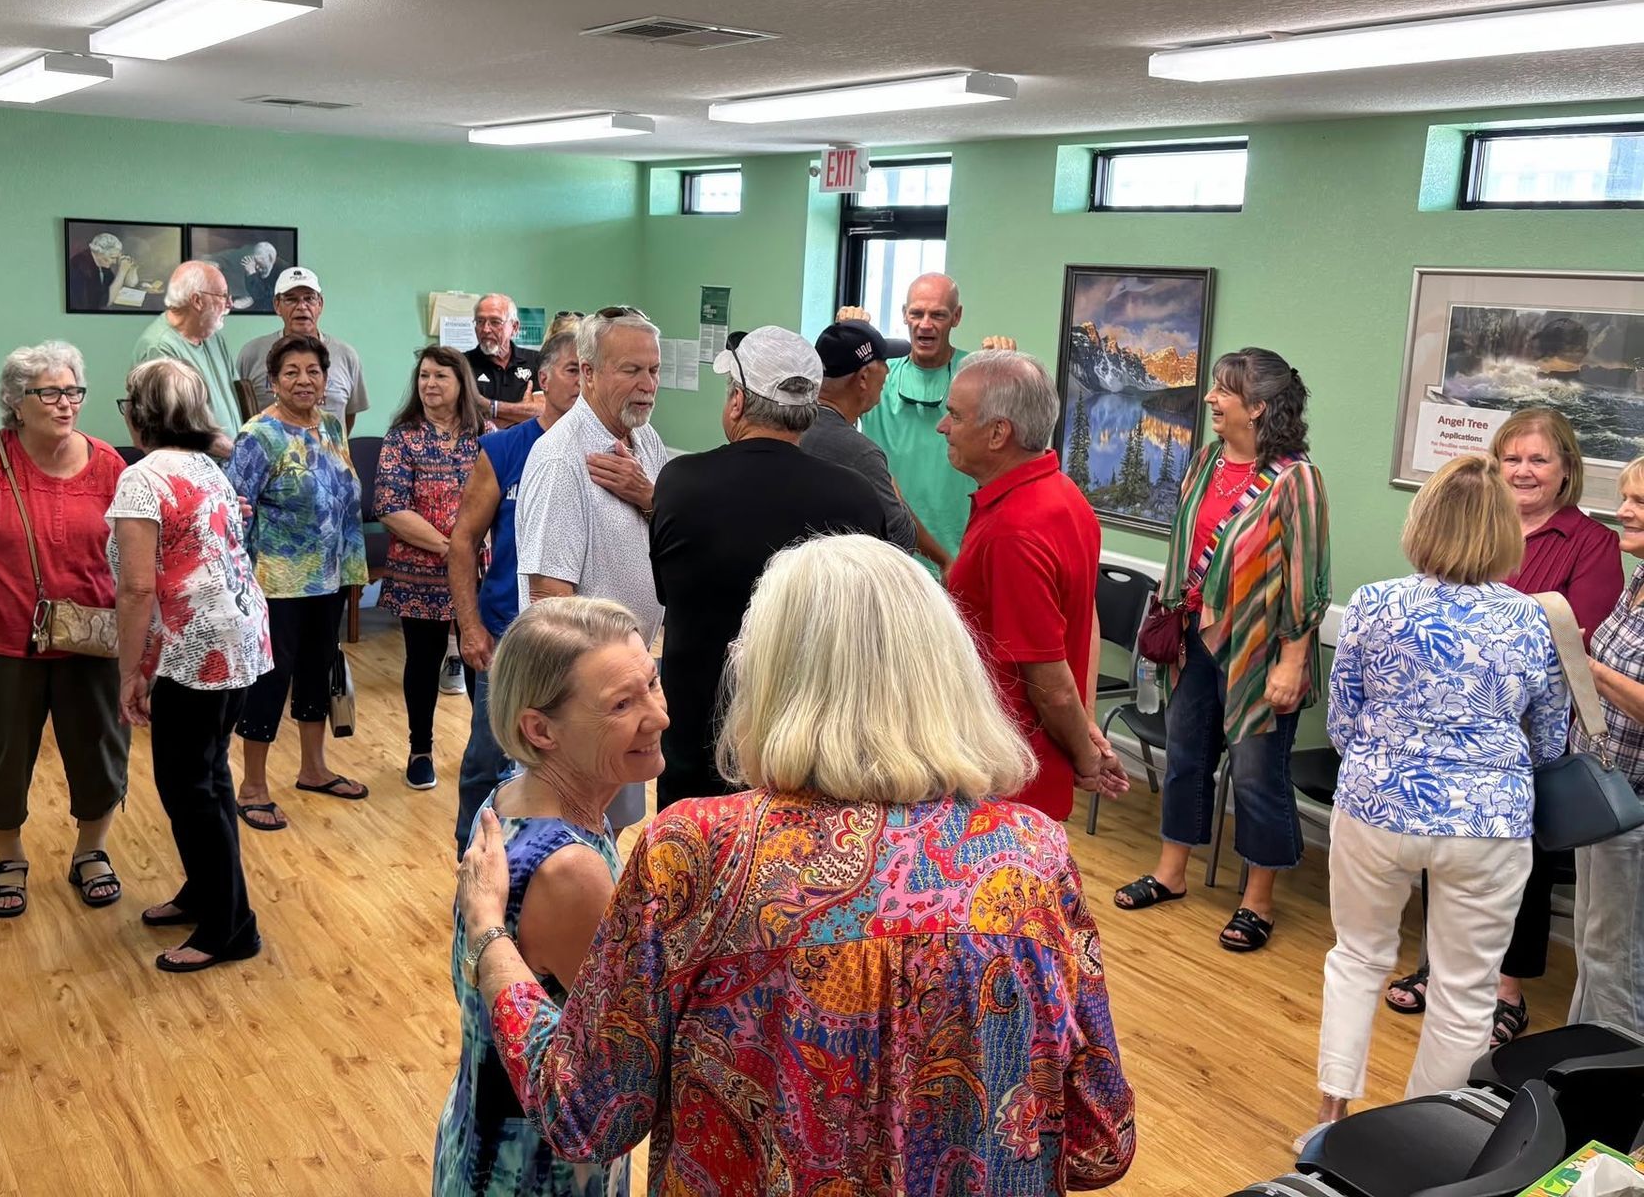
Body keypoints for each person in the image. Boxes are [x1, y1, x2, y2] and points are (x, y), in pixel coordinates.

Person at [456, 535, 1136, 1193]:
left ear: (775, 674)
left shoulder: (696, 853)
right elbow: (1099, 1140)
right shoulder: (1032, 856)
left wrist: (492, 943)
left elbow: (584, 1115)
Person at [1310, 454, 1567, 1134]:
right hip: (1488, 823)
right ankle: (1419, 1136)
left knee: (1359, 956)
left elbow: (1342, 721)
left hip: (1376, 806)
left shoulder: (1372, 604)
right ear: (1504, 533)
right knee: (1465, 989)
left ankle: (1329, 1114)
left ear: (1421, 521)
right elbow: (1548, 741)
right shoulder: (1531, 621)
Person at [1383, 406, 1623, 1039]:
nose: (1523, 471)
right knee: (1445, 850)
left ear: (1566, 469)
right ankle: (1437, 966)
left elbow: (1580, 642)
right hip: (1448, 729)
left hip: (1527, 733)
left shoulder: (1591, 544)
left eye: (1538, 459)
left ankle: (1506, 991)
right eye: (1511, 458)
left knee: (1524, 866)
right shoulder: (1473, 525)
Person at [433, 596, 659, 1197]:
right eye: (621, 704)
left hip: (478, 1139)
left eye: (652, 684)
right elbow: (626, 1073)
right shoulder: (571, 872)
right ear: (541, 729)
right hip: (536, 1174)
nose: (657, 715)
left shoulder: (512, 795)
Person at [1115, 347, 1330, 954]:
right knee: (1186, 759)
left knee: (1260, 778)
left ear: (1257, 407)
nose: (1210, 398)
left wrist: (1292, 661)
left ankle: (1257, 901)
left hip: (1262, 653)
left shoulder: (1297, 479)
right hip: (1195, 641)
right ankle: (1171, 872)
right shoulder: (1207, 460)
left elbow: (1309, 579)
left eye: (1223, 391)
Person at [0, 342, 129, 916]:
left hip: (89, 639)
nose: (66, 404)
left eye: (73, 392)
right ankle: (8, 857)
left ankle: (92, 850)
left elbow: (134, 551)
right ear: (16, 401)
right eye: (50, 393)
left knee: (100, 750)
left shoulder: (109, 464)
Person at [647, 327, 888, 809]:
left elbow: (665, 591)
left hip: (698, 740)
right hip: (809, 745)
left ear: (737, 402)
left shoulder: (681, 484)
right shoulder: (856, 497)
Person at [111, 359, 273, 973]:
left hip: (195, 650)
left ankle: (231, 927)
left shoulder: (142, 478)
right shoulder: (208, 463)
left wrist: (132, 672)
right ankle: (209, 893)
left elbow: (136, 588)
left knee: (190, 788)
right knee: (208, 777)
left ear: (137, 413)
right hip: (236, 639)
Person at [939, 349, 1127, 820]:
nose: (944, 427)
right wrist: (1085, 726)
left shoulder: (1015, 529)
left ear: (999, 433)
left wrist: (1086, 759)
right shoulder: (1065, 496)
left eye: (955, 415)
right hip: (1023, 767)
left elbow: (1050, 682)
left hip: (1003, 781)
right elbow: (1085, 626)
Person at [514, 307, 668, 829]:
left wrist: (650, 498)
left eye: (654, 370)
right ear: (587, 372)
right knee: (568, 829)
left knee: (612, 825)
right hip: (582, 697)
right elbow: (550, 599)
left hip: (624, 683)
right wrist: (584, 700)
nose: (647, 385)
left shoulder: (645, 441)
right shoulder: (561, 460)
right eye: (631, 370)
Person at [226, 335, 371, 832]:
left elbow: (344, 498)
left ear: (326, 381)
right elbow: (234, 513)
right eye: (291, 372)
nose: (304, 380)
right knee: (271, 678)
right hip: (275, 581)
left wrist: (351, 572)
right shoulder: (258, 436)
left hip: (328, 578)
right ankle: (252, 786)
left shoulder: (331, 425)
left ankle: (313, 769)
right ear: (273, 381)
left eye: (313, 371)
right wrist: (238, 585)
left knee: (316, 669)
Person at [446, 330, 583, 854]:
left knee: (568, 761)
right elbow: (462, 542)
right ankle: (471, 861)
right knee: (490, 755)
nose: (581, 381)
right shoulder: (504, 449)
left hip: (577, 641)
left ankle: (553, 863)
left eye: (588, 370)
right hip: (506, 633)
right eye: (572, 370)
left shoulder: (605, 453)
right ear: (542, 380)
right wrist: (470, 626)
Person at [375, 345, 487, 792]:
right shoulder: (402, 438)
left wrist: (468, 553)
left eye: (440, 376)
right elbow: (389, 505)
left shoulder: (484, 435)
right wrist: (450, 547)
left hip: (481, 573)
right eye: (423, 376)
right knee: (423, 663)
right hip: (419, 572)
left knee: (482, 662)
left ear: (461, 383)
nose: (429, 384)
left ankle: (485, 750)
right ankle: (420, 749)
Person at [1575, 455, 1644, 1033]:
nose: (1622, 511)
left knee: (1620, 961)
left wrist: (1588, 669)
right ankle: (1576, 1074)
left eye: (1639, 503)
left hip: (1637, 811)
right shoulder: (1639, 578)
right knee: (1592, 948)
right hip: (1602, 791)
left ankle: (1620, 1098)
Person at [858, 273, 977, 574]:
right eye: (917, 313)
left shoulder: (975, 375)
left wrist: (1005, 359)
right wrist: (849, 329)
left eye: (938, 315)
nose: (926, 324)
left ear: (957, 317)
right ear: (904, 315)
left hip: (956, 561)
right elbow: (827, 394)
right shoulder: (875, 377)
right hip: (887, 559)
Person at [802, 318, 915, 551]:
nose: (887, 371)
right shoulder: (860, 454)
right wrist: (896, 496)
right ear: (864, 377)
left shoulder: (789, 425)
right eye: (884, 362)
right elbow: (902, 542)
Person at [234, 267, 369, 433]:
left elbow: (347, 417)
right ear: (277, 305)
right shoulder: (251, 354)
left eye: (309, 299)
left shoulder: (346, 355)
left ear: (320, 304)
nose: (302, 306)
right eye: (291, 300)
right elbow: (241, 411)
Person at [129, 260, 240, 456]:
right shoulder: (159, 347)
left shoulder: (213, 338)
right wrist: (240, 455)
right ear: (197, 301)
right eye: (223, 296)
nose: (230, 304)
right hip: (197, 474)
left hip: (231, 467)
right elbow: (179, 429)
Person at [464, 293, 543, 428]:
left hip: (527, 447)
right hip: (481, 446)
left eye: (495, 322)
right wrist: (522, 412)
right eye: (480, 321)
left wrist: (490, 406)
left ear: (515, 327)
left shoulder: (537, 360)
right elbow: (467, 418)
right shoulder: (462, 364)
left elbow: (542, 411)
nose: (486, 329)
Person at [67, 231, 163, 312]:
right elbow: (105, 302)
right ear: (99, 253)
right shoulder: (82, 266)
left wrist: (131, 268)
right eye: (112, 258)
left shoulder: (102, 264)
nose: (114, 262)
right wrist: (122, 272)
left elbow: (127, 284)